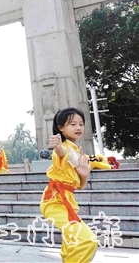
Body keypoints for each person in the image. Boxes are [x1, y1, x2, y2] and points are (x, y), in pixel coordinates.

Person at [41, 108, 98, 262]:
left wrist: (84, 175)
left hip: (67, 201)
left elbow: (80, 186)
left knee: (72, 241)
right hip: (55, 201)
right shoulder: (65, 147)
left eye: (81, 124)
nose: (78, 128)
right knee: (88, 240)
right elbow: (62, 153)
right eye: (72, 124)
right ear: (61, 128)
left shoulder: (78, 151)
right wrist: (57, 145)